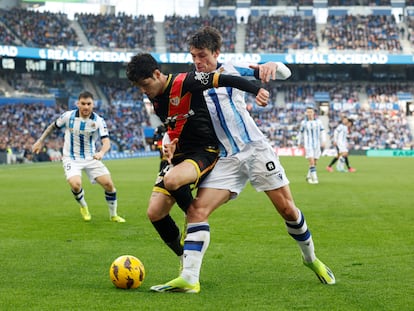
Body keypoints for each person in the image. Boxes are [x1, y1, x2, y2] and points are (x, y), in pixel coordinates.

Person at [149, 26, 335, 294]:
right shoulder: (188, 83)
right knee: (197, 211)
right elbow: (175, 122)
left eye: (203, 56)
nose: (198, 62)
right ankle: (190, 278)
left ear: (216, 53)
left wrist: (272, 64)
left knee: (288, 210)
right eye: (193, 57)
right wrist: (168, 143)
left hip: (255, 150)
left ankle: (311, 259)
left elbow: (283, 72)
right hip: (224, 159)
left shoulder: (234, 70)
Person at [126, 53, 269, 259]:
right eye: (138, 86)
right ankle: (184, 256)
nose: (143, 90)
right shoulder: (153, 96)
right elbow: (173, 124)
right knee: (155, 213)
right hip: (178, 156)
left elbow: (225, 79)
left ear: (157, 74)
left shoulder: (187, 81)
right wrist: (169, 144)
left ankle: (194, 218)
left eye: (144, 84)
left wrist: (257, 90)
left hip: (204, 151)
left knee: (173, 180)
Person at [32, 91, 125, 223]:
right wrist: (40, 141)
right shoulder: (68, 116)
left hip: (91, 158)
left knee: (109, 185)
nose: (86, 107)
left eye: (89, 104)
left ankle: (113, 215)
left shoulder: (98, 121)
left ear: (93, 105)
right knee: (75, 185)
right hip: (71, 157)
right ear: (78, 104)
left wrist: (101, 153)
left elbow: (106, 142)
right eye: (83, 104)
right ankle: (84, 207)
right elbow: (52, 126)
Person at [297, 106, 326, 184]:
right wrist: (299, 142)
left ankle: (308, 176)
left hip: (317, 145)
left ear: (314, 113)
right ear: (306, 113)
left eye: (310, 112)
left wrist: (323, 141)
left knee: (314, 163)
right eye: (308, 112)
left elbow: (322, 132)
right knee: (312, 162)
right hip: (308, 145)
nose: (309, 113)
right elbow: (301, 133)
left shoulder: (318, 122)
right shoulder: (304, 123)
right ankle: (315, 179)